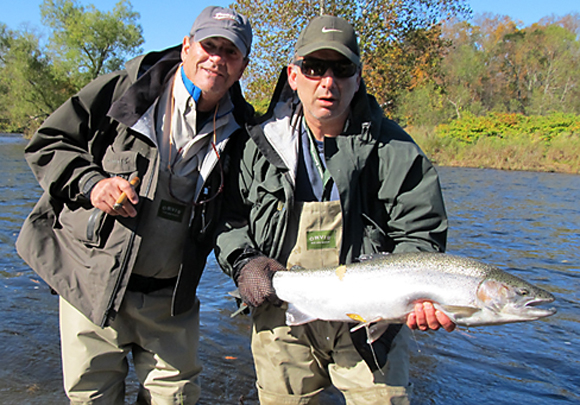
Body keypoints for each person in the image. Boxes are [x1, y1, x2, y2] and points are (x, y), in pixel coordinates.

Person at [16, 6, 252, 404]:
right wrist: (93, 184)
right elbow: (48, 142)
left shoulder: (243, 131)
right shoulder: (125, 89)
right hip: (92, 286)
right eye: (209, 46)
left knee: (176, 398)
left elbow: (235, 217)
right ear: (186, 47)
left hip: (170, 301)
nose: (217, 59)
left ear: (243, 65)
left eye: (231, 52)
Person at [215, 15, 455, 405]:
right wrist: (244, 263)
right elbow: (229, 221)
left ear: (357, 78)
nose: (328, 81)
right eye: (314, 68)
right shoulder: (255, 146)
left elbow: (421, 236)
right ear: (293, 76)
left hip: (372, 320)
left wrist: (422, 294)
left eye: (341, 69)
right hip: (281, 312)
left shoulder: (395, 150)